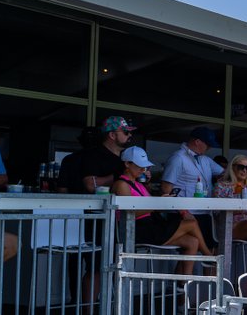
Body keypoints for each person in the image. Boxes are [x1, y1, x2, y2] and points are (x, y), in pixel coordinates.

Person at [111, 146, 212, 274]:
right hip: (136, 230)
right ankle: (207, 255)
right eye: (140, 166)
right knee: (191, 223)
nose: (143, 169)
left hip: (150, 225)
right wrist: (159, 205)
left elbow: (148, 204)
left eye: (145, 167)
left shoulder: (138, 184)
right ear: (127, 164)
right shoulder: (121, 184)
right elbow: (129, 213)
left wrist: (152, 191)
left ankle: (184, 285)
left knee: (192, 241)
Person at [161, 126, 224, 247]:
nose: (209, 148)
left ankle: (211, 262)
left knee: (209, 247)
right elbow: (166, 188)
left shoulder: (205, 159)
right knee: (190, 249)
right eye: (208, 144)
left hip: (204, 212)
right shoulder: (178, 158)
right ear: (197, 142)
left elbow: (224, 173)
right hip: (183, 214)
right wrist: (183, 212)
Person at [79, 115, 134, 194]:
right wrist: (121, 174)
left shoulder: (127, 155)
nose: (130, 135)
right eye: (126, 132)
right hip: (103, 205)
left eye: (130, 132)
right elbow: (90, 185)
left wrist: (142, 176)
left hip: (129, 204)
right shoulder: (93, 155)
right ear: (112, 135)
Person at [55, 127, 102, 193]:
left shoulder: (69, 159)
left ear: (81, 141)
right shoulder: (105, 159)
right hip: (98, 201)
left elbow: (62, 189)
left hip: (73, 201)